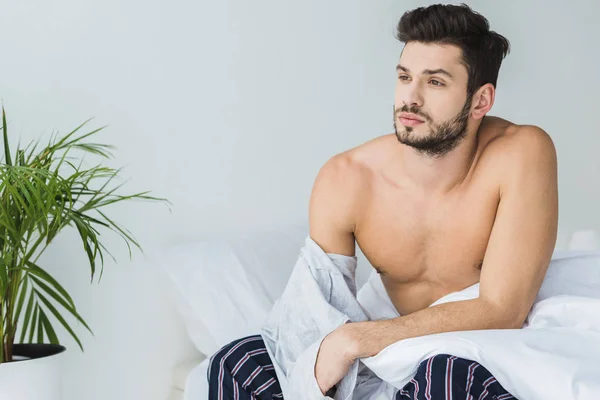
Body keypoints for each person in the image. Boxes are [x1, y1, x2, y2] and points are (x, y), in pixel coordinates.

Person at [208, 3, 558, 399]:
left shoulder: (521, 152)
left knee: (442, 377)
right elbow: (315, 309)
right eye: (405, 77)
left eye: (435, 82)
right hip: (389, 343)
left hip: (479, 344)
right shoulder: (347, 178)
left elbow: (502, 310)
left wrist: (359, 338)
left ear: (481, 101)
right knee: (234, 363)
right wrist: (341, 348)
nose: (411, 97)